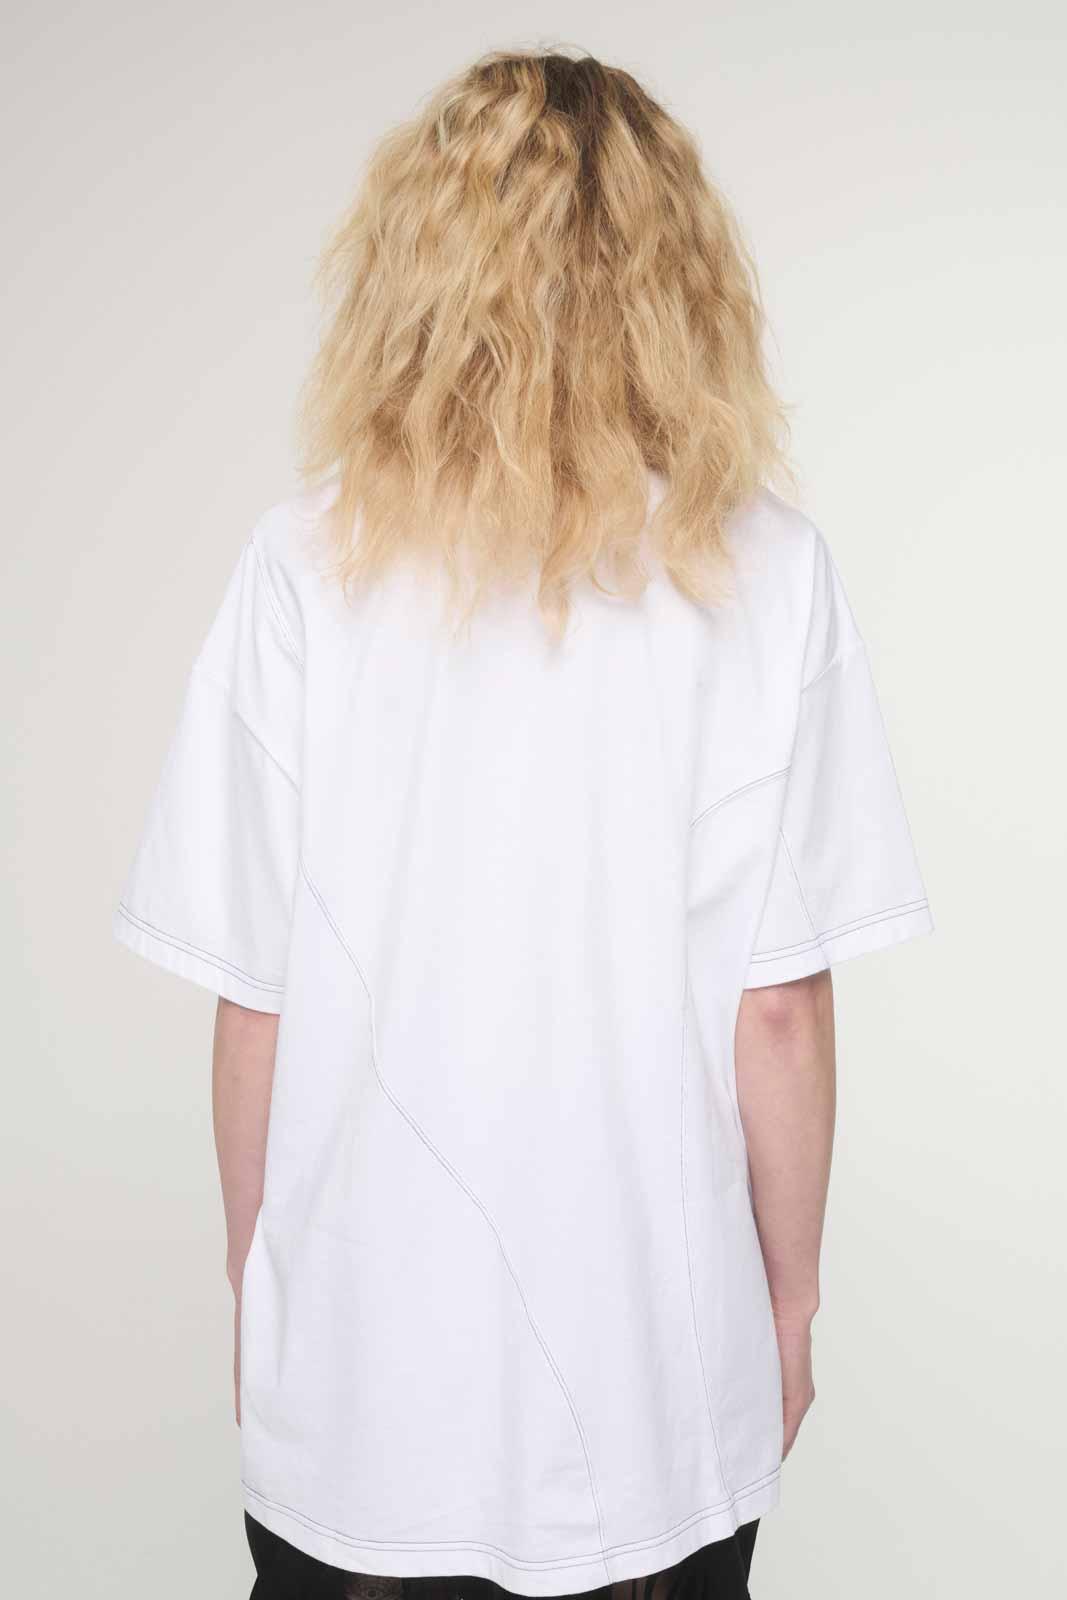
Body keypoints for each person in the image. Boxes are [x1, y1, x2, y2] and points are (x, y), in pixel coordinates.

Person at [114, 48, 932, 1600]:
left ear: (415, 269)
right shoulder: (768, 574)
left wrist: (257, 1296)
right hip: (656, 1407)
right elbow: (778, 1010)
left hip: (359, 1401)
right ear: (678, 277)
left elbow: (255, 1004)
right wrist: (790, 1304)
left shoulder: (305, 566)